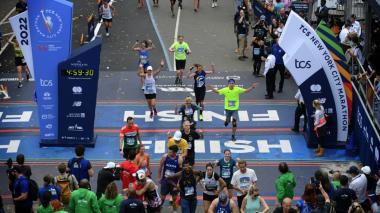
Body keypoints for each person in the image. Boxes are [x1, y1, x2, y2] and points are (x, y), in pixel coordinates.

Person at [157, 145, 183, 213]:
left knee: (174, 199)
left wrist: (178, 183)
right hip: (165, 180)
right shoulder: (165, 157)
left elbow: (181, 173)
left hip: (174, 182)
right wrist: (159, 176)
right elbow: (160, 166)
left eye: (170, 152)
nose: (168, 152)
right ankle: (159, 210)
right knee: (162, 198)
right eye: (168, 151)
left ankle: (174, 210)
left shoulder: (179, 159)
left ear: (174, 152)